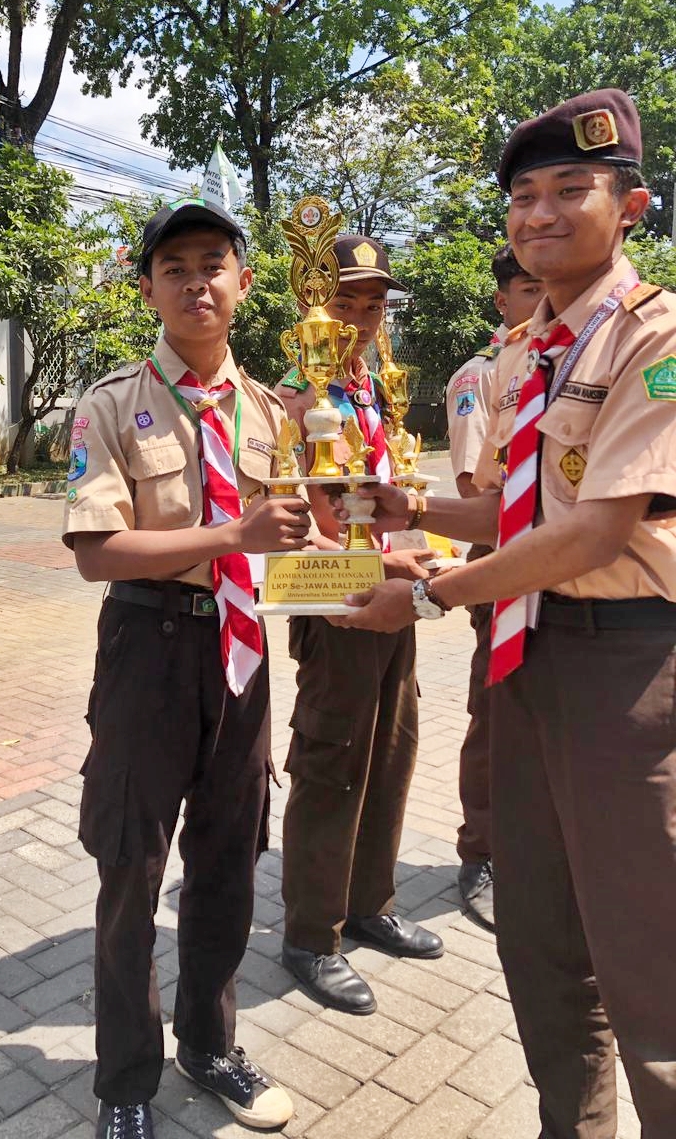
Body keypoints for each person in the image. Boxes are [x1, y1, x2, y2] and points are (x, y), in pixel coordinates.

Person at [329, 89, 676, 1139]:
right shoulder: (530, 350)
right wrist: (409, 505)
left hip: (628, 670)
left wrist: (428, 589)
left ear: (632, 206)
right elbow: (512, 505)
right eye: (523, 195)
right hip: (528, 656)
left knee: (647, 955)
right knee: (540, 935)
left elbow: (592, 533)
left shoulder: (654, 333)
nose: (539, 213)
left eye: (572, 188)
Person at [62, 198, 310, 1139]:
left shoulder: (274, 413)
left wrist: (379, 560)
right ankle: (125, 1082)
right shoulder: (112, 403)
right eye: (175, 268)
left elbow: (289, 544)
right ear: (149, 290)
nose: (196, 282)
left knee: (228, 863)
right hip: (147, 650)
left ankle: (209, 1047)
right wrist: (229, 534)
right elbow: (96, 550)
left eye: (215, 264)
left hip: (242, 654)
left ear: (244, 283)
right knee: (131, 866)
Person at [276, 234, 443, 1018]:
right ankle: (312, 934)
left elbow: (386, 493)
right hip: (339, 603)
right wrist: (377, 569)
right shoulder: (292, 396)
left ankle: (370, 902)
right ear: (314, 306)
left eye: (374, 306)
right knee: (332, 761)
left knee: (393, 752)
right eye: (347, 303)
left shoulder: (372, 390)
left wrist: (413, 554)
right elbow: (300, 520)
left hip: (395, 593)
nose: (363, 319)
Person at [443, 245, 543, 930]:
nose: (540, 300)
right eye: (527, 288)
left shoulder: (581, 358)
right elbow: (475, 488)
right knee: (495, 717)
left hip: (575, 579)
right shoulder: (483, 376)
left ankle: (533, 851)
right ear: (502, 299)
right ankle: (480, 853)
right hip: (505, 566)